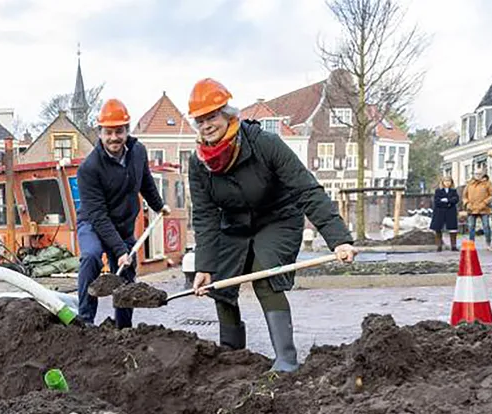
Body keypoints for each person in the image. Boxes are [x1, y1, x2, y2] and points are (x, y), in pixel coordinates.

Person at [187, 78, 356, 372]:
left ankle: (286, 361)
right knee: (220, 284)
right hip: (234, 226)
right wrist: (204, 265)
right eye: (200, 120)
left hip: (278, 218)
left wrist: (338, 238)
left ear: (227, 114)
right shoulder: (198, 163)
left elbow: (307, 190)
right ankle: (231, 358)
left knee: (265, 275)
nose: (207, 125)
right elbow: (205, 216)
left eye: (212, 116)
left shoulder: (264, 144)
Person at [76, 98, 170, 328]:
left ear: (127, 131)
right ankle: (85, 323)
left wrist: (159, 205)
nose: (114, 137)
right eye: (108, 132)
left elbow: (145, 182)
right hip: (93, 223)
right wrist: (119, 250)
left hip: (123, 224)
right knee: (91, 257)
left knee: (127, 271)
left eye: (119, 131)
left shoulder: (138, 152)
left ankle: (124, 328)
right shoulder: (89, 168)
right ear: (100, 133)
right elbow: (98, 215)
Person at [462, 171, 492, 247]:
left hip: (484, 208)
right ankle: (471, 243)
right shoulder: (469, 183)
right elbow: (464, 196)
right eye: (476, 174)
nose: (478, 175)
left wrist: (485, 203)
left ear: (483, 174)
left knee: (486, 226)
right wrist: (467, 204)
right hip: (471, 209)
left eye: (480, 174)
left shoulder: (487, 183)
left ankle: (488, 244)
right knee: (471, 226)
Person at [429, 177, 459, 252]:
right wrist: (448, 203)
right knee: (438, 228)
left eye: (449, 181)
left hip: (451, 212)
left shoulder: (453, 191)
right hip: (439, 212)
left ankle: (453, 246)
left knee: (452, 229)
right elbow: (437, 201)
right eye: (445, 181)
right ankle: (439, 246)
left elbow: (455, 199)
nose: (447, 183)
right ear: (442, 182)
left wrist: (447, 200)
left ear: (451, 182)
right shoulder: (438, 191)